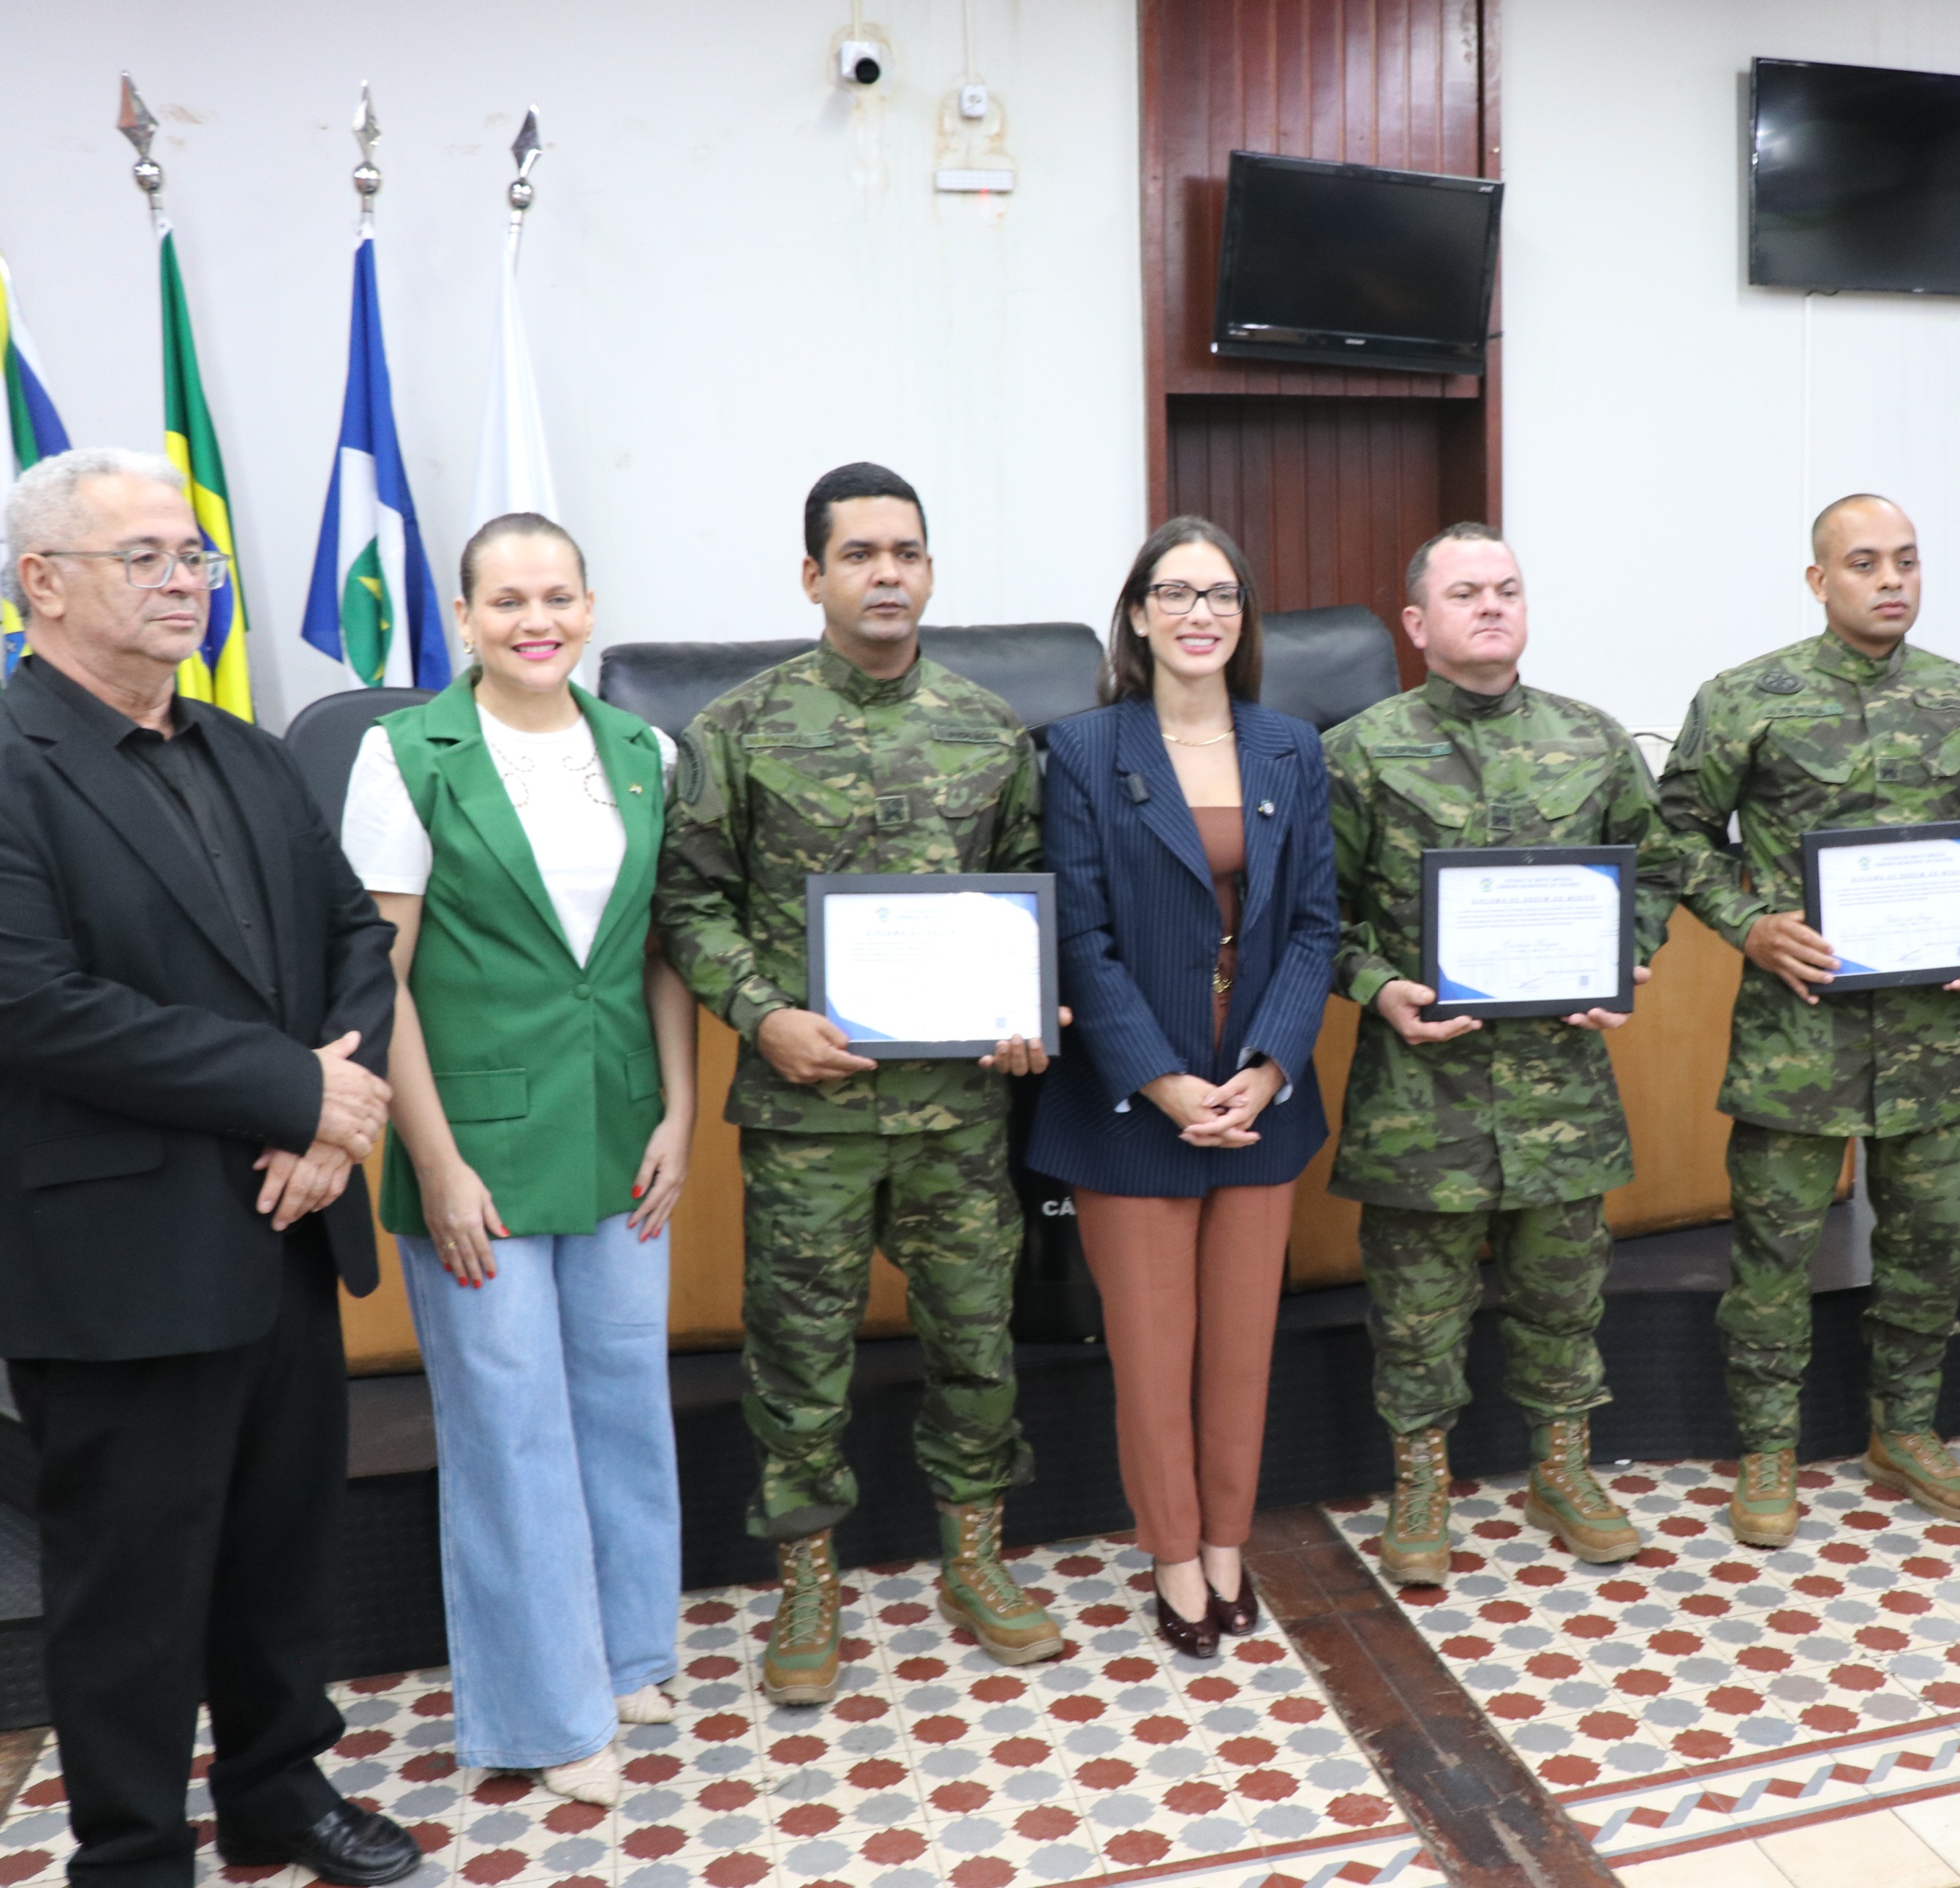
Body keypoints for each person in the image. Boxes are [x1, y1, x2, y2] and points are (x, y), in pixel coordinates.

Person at [0, 450, 416, 1887]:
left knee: (282, 1552)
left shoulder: (245, 744)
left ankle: (277, 1796)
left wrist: (324, 1119)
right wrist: (294, 1087)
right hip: (120, 1256)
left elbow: (357, 938)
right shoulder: (9, 763)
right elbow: (29, 1001)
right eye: (148, 558)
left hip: (285, 1227)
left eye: (197, 558)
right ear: (42, 582)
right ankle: (128, 1850)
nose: (185, 580)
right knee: (130, 1592)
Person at [655, 462, 1066, 1691]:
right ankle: (806, 1588)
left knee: (976, 1340)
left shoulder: (990, 730)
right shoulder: (736, 729)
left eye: (906, 552)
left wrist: (1027, 1009)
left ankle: (976, 1555)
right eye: (859, 554)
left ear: (930, 572)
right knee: (798, 1355)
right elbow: (687, 900)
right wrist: (762, 1014)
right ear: (812, 576)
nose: (885, 573)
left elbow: (1030, 894)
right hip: (810, 1112)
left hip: (955, 1113)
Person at [338, 514, 696, 1805]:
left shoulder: (644, 750)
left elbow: (662, 950)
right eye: (506, 600)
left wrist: (680, 1111)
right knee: (510, 1427)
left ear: (590, 608)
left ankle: (629, 1648)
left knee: (619, 1399)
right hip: (471, 1142)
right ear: (467, 615)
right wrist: (428, 1162)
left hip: (621, 1127)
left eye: (556, 596)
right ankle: (544, 1715)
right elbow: (380, 977)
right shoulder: (405, 753)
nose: (534, 619)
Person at [1656, 496, 1960, 1549]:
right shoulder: (1746, 699)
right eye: (1864, 563)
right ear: (1819, 582)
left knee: (1934, 1243)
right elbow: (1675, 829)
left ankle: (1904, 1428)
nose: (1891, 580)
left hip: (1929, 1039)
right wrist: (1749, 923)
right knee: (1773, 1251)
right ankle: (1769, 1448)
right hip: (1797, 1032)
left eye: (1906, 561)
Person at [1323, 522, 1681, 1586]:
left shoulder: (1594, 740)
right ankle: (1422, 1482)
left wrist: (1627, 959)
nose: (1492, 605)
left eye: (1509, 589)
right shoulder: (1359, 750)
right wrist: (1375, 987)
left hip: (1559, 1089)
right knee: (1417, 1308)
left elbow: (1653, 873)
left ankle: (1562, 1469)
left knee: (1566, 1295)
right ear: (1417, 622)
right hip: (1420, 1091)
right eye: (1467, 591)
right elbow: (1317, 912)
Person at [1028, 518, 1338, 1655]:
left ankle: (1227, 1545)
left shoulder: (1293, 749)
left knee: (1241, 1348)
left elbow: (1315, 927)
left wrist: (1265, 1068)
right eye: (1177, 593)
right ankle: (1171, 1555)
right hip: (1131, 1108)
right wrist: (1163, 1082)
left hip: (1261, 1101)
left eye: (1222, 594)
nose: (1200, 613)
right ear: (1140, 614)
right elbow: (1082, 938)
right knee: (1154, 1355)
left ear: (1242, 620)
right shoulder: (1079, 749)